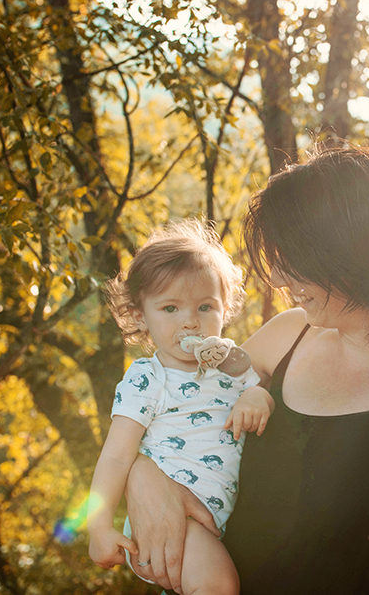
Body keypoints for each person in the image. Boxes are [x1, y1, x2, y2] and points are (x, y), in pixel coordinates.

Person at [125, 145, 369, 594]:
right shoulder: (286, 335)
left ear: (351, 248)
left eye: (292, 257)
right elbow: (171, 409)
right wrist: (140, 476)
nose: (278, 279)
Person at [87, 219, 275, 595]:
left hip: (214, 521)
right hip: (167, 521)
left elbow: (262, 391)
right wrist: (99, 528)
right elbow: (116, 457)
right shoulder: (147, 378)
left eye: (205, 307)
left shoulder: (231, 366)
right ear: (140, 315)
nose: (190, 322)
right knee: (219, 585)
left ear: (225, 310)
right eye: (170, 308)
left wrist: (257, 397)